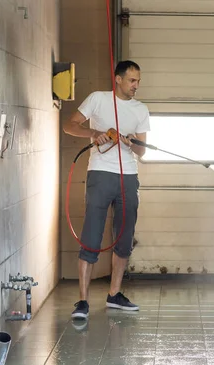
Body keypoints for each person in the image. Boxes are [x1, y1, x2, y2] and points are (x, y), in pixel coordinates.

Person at [63, 60, 149, 319]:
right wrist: (95, 133)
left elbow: (142, 151)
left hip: (128, 177)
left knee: (124, 237)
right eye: (132, 80)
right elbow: (70, 125)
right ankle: (82, 301)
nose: (136, 86)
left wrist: (130, 141)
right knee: (91, 235)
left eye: (138, 81)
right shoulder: (98, 99)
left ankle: (114, 294)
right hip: (101, 174)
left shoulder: (140, 109)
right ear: (118, 79)